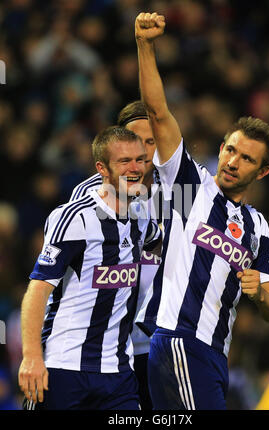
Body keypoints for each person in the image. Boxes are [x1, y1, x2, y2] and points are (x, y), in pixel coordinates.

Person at [134, 12, 269, 410]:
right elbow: (158, 113)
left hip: (216, 354)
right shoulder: (191, 189)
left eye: (247, 159)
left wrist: (260, 296)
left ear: (263, 171)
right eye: (230, 149)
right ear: (221, 148)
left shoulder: (257, 227)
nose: (234, 161)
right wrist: (145, 46)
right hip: (180, 340)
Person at [18, 125, 161, 410]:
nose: (135, 169)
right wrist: (32, 355)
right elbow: (38, 288)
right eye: (124, 161)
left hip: (119, 373)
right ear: (102, 169)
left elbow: (165, 245)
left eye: (140, 160)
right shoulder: (74, 217)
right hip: (64, 366)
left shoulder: (142, 219)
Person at [69, 100, 161, 410]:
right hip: (105, 348)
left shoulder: (177, 191)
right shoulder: (89, 195)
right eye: (135, 142)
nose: (143, 153)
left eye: (150, 142)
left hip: (158, 346)